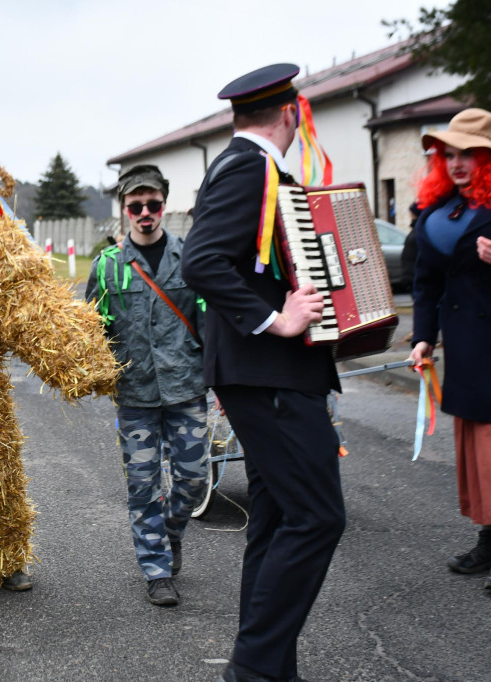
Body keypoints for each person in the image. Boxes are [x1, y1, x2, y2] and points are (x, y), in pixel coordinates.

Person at [182, 64, 346, 682]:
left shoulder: (248, 166)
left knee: (277, 519)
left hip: (269, 374)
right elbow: (201, 262)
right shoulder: (252, 167)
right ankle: (252, 672)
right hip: (269, 372)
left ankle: (270, 670)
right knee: (318, 517)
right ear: (292, 114)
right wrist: (277, 319)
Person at [85, 164, 207, 606]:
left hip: (186, 388)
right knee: (143, 485)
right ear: (124, 210)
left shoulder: (191, 258)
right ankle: (155, 569)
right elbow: (91, 329)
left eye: (153, 204)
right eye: (135, 206)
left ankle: (170, 532)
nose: (145, 213)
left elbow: (208, 322)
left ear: (164, 205)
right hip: (135, 394)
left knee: (193, 480)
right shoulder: (107, 267)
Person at [407, 108, 491, 589]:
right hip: (465, 350)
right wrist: (423, 337)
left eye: (470, 155)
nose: (458, 163)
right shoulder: (437, 212)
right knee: (479, 454)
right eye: (450, 155)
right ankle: (489, 537)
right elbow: (426, 284)